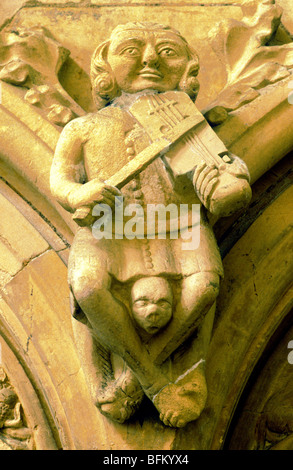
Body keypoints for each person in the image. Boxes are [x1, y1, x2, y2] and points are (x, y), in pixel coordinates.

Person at [50, 21, 251, 427]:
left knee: (205, 282)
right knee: (88, 284)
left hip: (178, 225)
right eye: (131, 50)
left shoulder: (189, 126)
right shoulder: (85, 126)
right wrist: (78, 194)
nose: (149, 59)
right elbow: (61, 179)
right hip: (109, 225)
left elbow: (226, 176)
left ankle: (138, 373)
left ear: (188, 68)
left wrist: (228, 184)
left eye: (167, 51)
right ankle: (156, 381)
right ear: (105, 66)